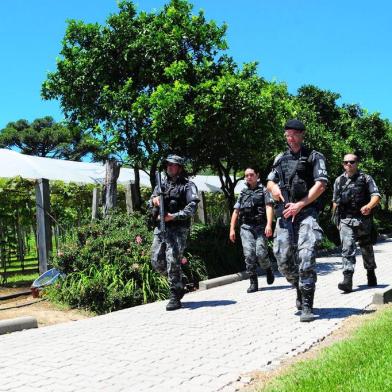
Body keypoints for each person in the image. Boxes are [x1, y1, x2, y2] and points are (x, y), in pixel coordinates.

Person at [267, 119, 328, 322]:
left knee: (306, 255)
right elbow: (269, 180)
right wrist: (273, 188)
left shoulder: (314, 156)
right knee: (282, 260)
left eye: (294, 133)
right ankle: (299, 288)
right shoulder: (280, 158)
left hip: (306, 213)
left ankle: (307, 304)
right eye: (287, 134)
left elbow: (320, 185)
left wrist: (300, 204)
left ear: (302, 134)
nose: (290, 137)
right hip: (285, 215)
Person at [149, 154, 200, 311]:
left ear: (179, 167)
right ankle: (180, 281)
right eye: (168, 165)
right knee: (156, 261)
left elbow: (192, 207)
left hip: (178, 228)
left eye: (173, 165)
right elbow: (149, 202)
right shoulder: (161, 185)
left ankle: (175, 296)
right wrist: (153, 201)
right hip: (161, 227)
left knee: (173, 260)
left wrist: (174, 216)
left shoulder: (188, 185)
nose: (170, 167)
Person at [332, 153, 381, 292]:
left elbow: (376, 195)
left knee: (366, 247)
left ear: (357, 163)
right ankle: (347, 279)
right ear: (343, 164)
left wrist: (369, 206)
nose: (349, 164)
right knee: (347, 248)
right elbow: (335, 202)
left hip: (363, 220)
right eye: (346, 162)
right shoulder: (338, 181)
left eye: (352, 162)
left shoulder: (366, 178)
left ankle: (370, 272)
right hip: (345, 220)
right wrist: (335, 221)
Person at [229, 167, 275, 293]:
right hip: (246, 227)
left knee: (260, 253)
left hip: (260, 226)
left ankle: (268, 268)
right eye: (247, 175)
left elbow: (269, 207)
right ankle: (253, 282)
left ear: (257, 175)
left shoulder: (264, 191)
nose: (249, 177)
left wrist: (269, 225)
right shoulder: (242, 193)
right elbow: (236, 211)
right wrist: (232, 229)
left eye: (251, 174)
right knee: (249, 254)